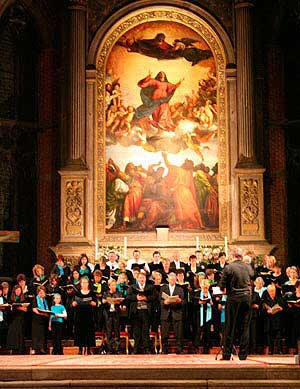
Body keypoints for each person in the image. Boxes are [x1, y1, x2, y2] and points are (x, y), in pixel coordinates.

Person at [220, 248, 254, 360]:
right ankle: (243, 354)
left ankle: (226, 354)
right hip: (246, 298)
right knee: (245, 327)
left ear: (232, 256)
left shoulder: (229, 267)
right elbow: (252, 277)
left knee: (230, 326)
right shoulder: (248, 267)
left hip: (234, 299)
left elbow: (221, 286)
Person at [127, 272, 154, 354]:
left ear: (145, 279)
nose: (142, 279)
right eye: (140, 278)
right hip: (136, 312)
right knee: (136, 331)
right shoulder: (132, 287)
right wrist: (136, 297)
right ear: (137, 279)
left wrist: (146, 298)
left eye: (143, 277)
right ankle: (136, 349)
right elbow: (128, 297)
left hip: (146, 312)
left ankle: (147, 348)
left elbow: (154, 297)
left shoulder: (150, 287)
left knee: (146, 331)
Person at [160, 272, 185, 354]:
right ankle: (164, 349)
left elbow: (184, 302)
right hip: (165, 313)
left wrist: (180, 301)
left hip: (176, 312)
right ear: (168, 280)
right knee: (164, 333)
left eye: (174, 279)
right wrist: (164, 302)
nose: (172, 280)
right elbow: (159, 300)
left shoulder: (180, 289)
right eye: (171, 279)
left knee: (179, 333)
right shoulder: (163, 289)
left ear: (176, 280)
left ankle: (179, 349)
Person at [72, 277, 97, 355]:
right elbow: (73, 303)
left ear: (88, 284)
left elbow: (96, 303)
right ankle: (80, 349)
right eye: (83, 283)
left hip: (89, 314)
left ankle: (89, 348)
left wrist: (93, 303)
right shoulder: (77, 293)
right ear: (80, 284)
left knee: (89, 331)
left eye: (86, 282)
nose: (84, 284)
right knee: (80, 331)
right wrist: (74, 303)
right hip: (79, 315)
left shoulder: (92, 293)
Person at [102, 279, 124, 354]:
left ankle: (117, 349)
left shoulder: (119, 293)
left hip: (116, 314)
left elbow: (120, 301)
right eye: (112, 285)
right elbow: (103, 302)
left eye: (115, 285)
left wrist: (114, 301)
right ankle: (109, 349)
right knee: (109, 332)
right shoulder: (105, 293)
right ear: (109, 286)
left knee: (117, 331)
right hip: (108, 314)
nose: (113, 286)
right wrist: (108, 300)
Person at [6, 285, 28, 354]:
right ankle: (13, 348)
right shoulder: (11, 299)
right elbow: (9, 309)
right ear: (14, 291)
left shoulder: (23, 299)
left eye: (19, 290)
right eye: (17, 290)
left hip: (20, 319)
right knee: (13, 333)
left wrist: (23, 309)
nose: (18, 292)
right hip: (13, 319)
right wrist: (18, 308)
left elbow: (26, 309)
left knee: (20, 333)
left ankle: (21, 350)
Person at [32, 285, 50, 354]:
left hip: (43, 320)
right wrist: (42, 313)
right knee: (36, 335)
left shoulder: (45, 300)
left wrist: (47, 312)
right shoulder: (35, 299)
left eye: (43, 292)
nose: (41, 294)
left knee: (43, 335)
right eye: (40, 293)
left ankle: (43, 349)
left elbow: (47, 309)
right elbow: (34, 309)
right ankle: (36, 349)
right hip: (37, 320)